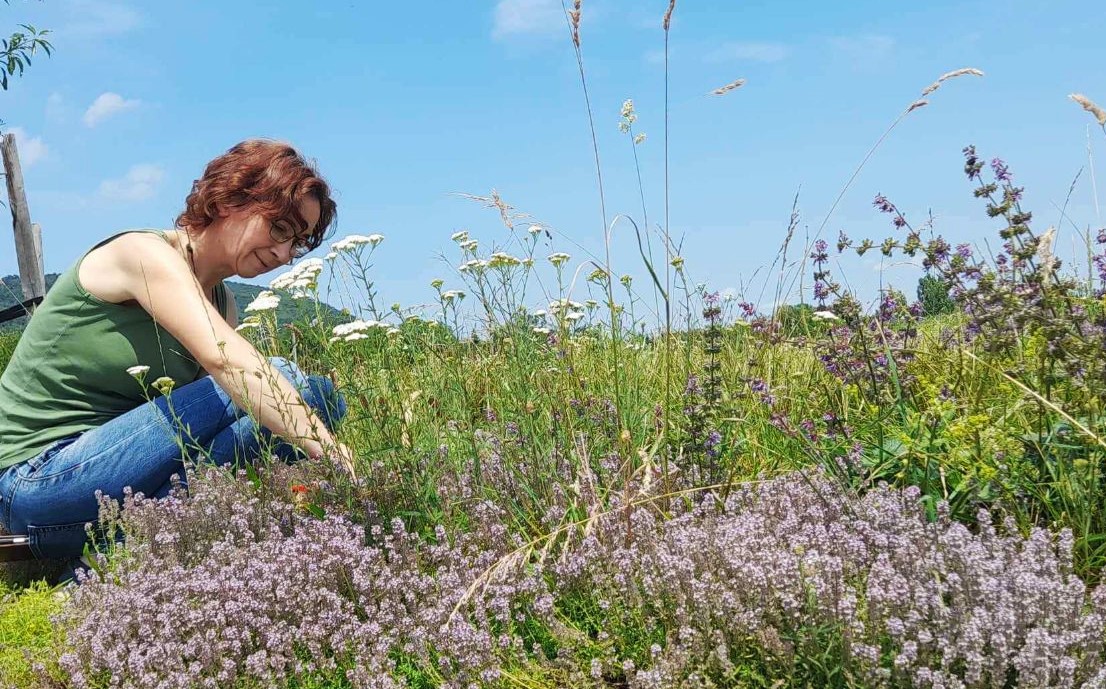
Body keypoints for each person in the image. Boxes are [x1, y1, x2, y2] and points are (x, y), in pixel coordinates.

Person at [0, 139, 356, 568]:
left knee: (318, 397)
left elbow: (211, 439)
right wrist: (331, 454)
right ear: (229, 199)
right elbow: (229, 362)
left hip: (112, 491)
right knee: (284, 379)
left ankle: (115, 559)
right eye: (279, 228)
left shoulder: (223, 303)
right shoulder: (141, 253)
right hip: (37, 482)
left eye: (296, 242)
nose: (284, 254)